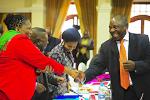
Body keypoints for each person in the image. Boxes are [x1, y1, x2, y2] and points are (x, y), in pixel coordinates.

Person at [0, 14, 78, 100]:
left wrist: (37, 70)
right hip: (10, 93)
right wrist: (69, 71)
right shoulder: (18, 39)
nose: (30, 32)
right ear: (18, 28)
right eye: (28, 28)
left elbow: (17, 65)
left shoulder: (7, 39)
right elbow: (43, 61)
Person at [76, 15, 150, 100]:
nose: (111, 30)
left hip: (140, 91)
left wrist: (135, 65)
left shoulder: (142, 40)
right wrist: (84, 75)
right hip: (119, 93)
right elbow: (97, 66)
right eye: (110, 27)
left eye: (115, 27)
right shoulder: (106, 46)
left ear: (125, 26)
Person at [47, 28, 81, 98]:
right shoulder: (56, 53)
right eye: (69, 46)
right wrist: (57, 78)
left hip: (63, 88)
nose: (71, 49)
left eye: (74, 47)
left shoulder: (67, 50)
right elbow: (48, 75)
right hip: (56, 90)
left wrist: (71, 76)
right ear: (63, 41)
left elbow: (67, 67)